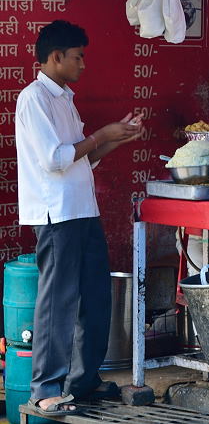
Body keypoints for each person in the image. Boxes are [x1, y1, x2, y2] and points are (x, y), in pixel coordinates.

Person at [15, 20, 142, 416]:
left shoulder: (64, 98)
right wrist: (102, 134)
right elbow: (55, 159)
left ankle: (83, 381)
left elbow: (81, 157)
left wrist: (116, 138)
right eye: (78, 57)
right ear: (56, 57)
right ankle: (44, 389)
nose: (83, 64)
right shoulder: (33, 99)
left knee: (95, 298)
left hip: (83, 210)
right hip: (56, 214)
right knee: (58, 303)